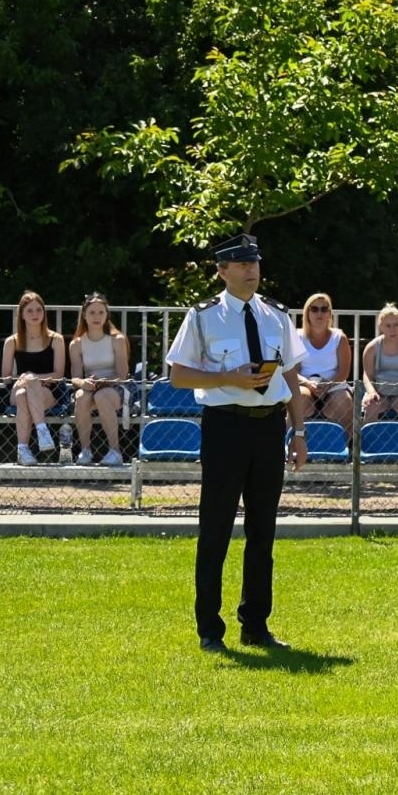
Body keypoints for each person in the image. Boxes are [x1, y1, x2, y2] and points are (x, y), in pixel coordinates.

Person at [166, 233, 307, 652]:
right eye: (242, 264)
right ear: (222, 271)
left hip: (268, 427)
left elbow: (292, 378)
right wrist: (229, 377)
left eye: (255, 263)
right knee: (216, 530)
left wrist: (298, 432)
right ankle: (210, 628)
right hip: (225, 426)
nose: (251, 271)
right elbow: (179, 375)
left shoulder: (277, 316)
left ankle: (256, 624)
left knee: (263, 531)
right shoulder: (203, 316)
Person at [0, 291, 67, 465]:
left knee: (25, 394)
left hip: (48, 390)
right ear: (21, 314)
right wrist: (25, 379)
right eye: (30, 310)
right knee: (23, 390)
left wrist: (33, 379)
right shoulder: (11, 341)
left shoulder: (56, 339)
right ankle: (42, 431)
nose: (35, 314)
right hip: (17, 387)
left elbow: (59, 374)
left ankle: (23, 450)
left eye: (39, 310)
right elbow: (6, 377)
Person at [67, 293, 130, 465]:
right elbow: (75, 377)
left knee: (101, 396)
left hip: (116, 387)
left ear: (107, 315)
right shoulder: (76, 344)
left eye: (101, 312)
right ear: (84, 315)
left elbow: (123, 375)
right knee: (81, 396)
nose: (96, 317)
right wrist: (84, 383)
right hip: (91, 386)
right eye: (92, 312)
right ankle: (85, 450)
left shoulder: (117, 339)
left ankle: (115, 451)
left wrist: (105, 382)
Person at [295, 292, 354, 440]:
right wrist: (309, 384)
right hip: (306, 384)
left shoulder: (339, 337)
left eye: (324, 309)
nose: (319, 313)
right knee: (298, 398)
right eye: (314, 309)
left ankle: (346, 449)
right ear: (307, 313)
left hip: (335, 385)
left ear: (329, 313)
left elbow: (344, 371)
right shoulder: (297, 336)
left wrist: (327, 385)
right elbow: (293, 371)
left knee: (344, 400)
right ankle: (290, 445)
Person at [361, 304, 398, 439]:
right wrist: (371, 392)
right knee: (371, 406)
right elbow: (367, 375)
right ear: (381, 326)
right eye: (388, 326)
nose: (392, 329)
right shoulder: (372, 347)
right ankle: (366, 447)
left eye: (396, 325)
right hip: (378, 392)